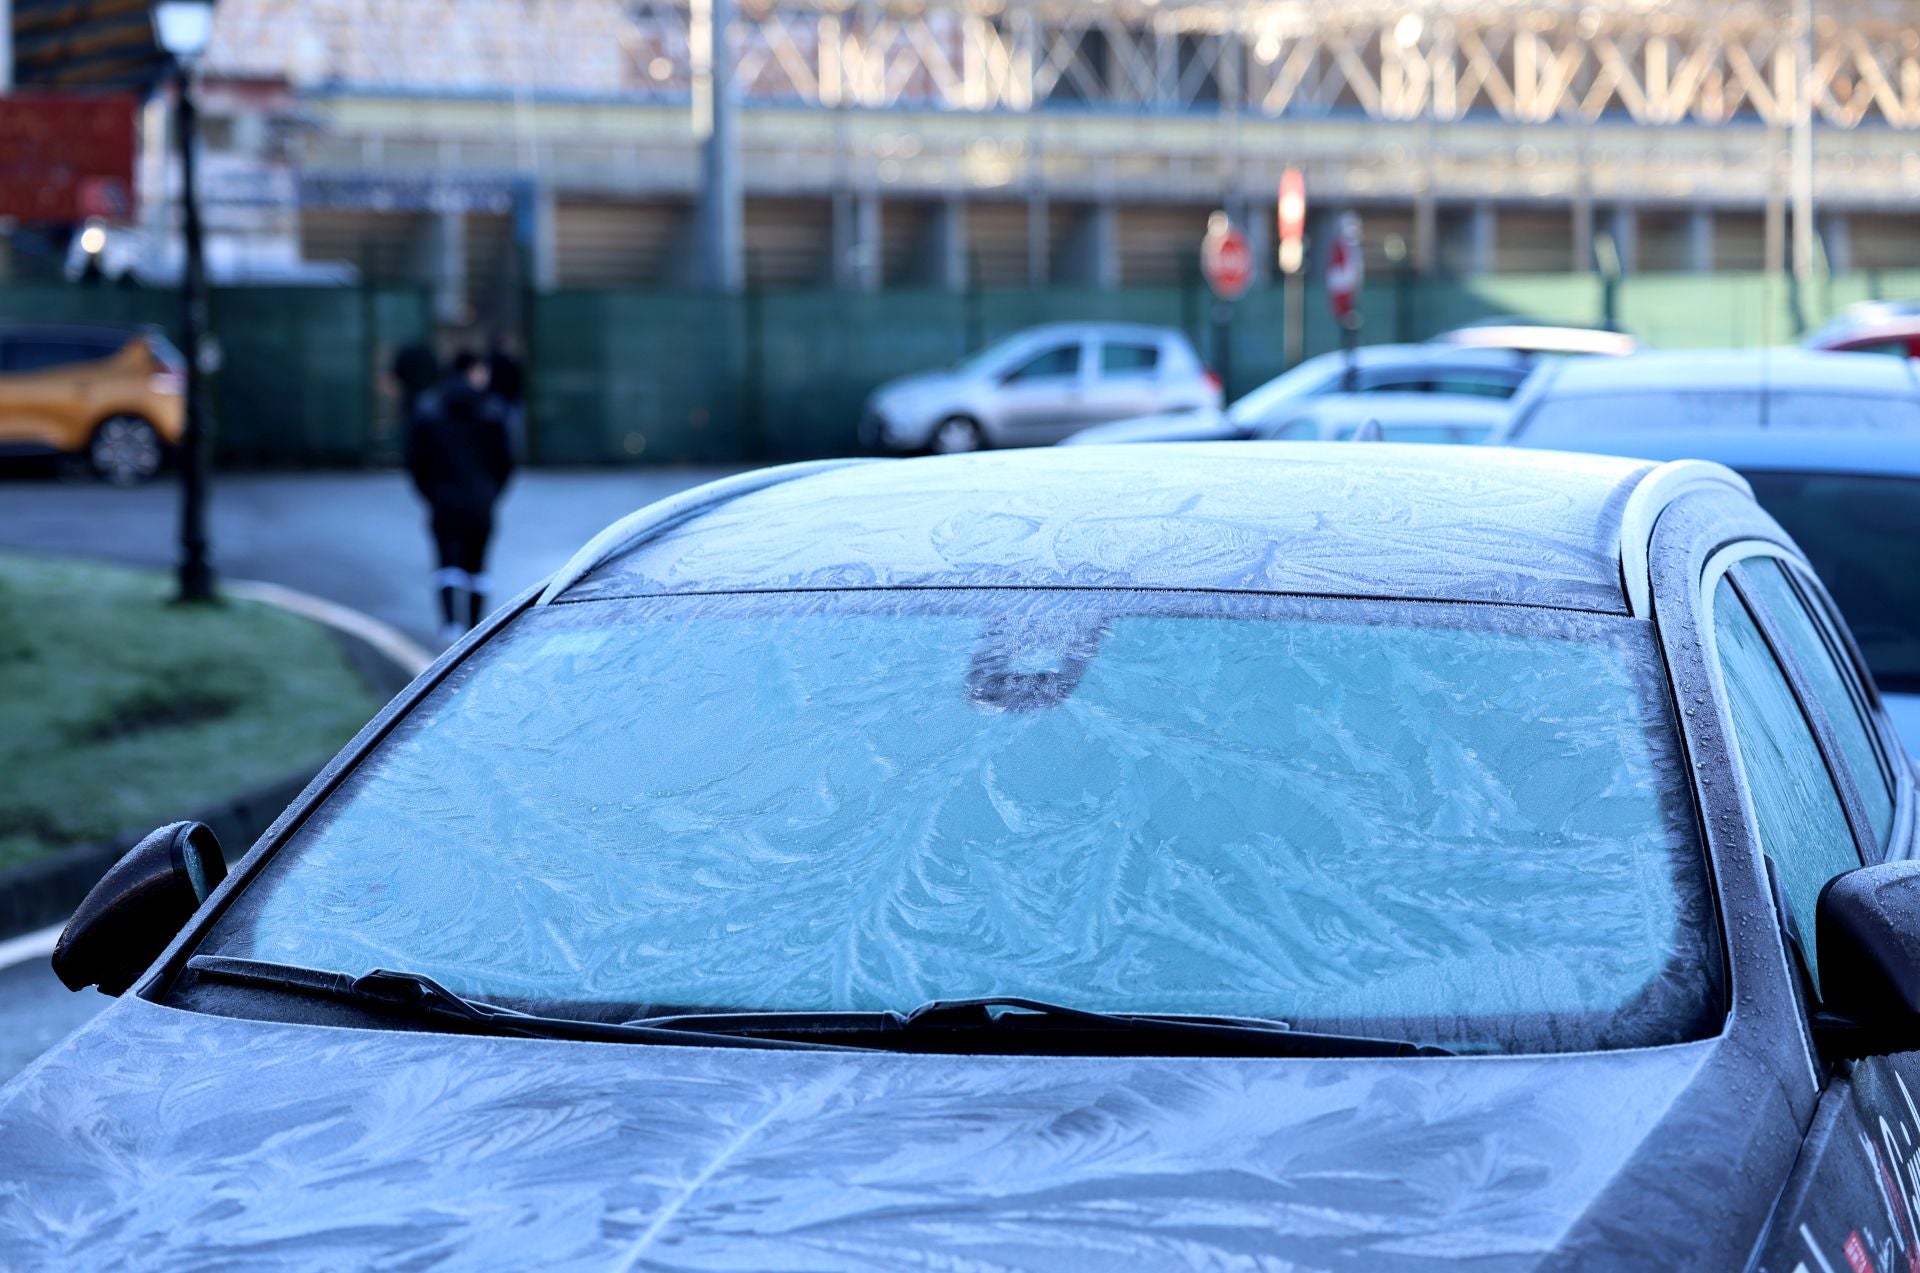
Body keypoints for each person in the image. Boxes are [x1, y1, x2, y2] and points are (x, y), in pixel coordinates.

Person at [405, 350, 514, 642]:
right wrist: (491, 494)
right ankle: (476, 631)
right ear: (474, 370)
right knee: (478, 568)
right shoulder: (492, 409)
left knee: (447, 564)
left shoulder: (429, 409)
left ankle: (450, 625)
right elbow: (505, 462)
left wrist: (431, 494)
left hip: (443, 501)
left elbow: (415, 461)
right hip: (481, 503)